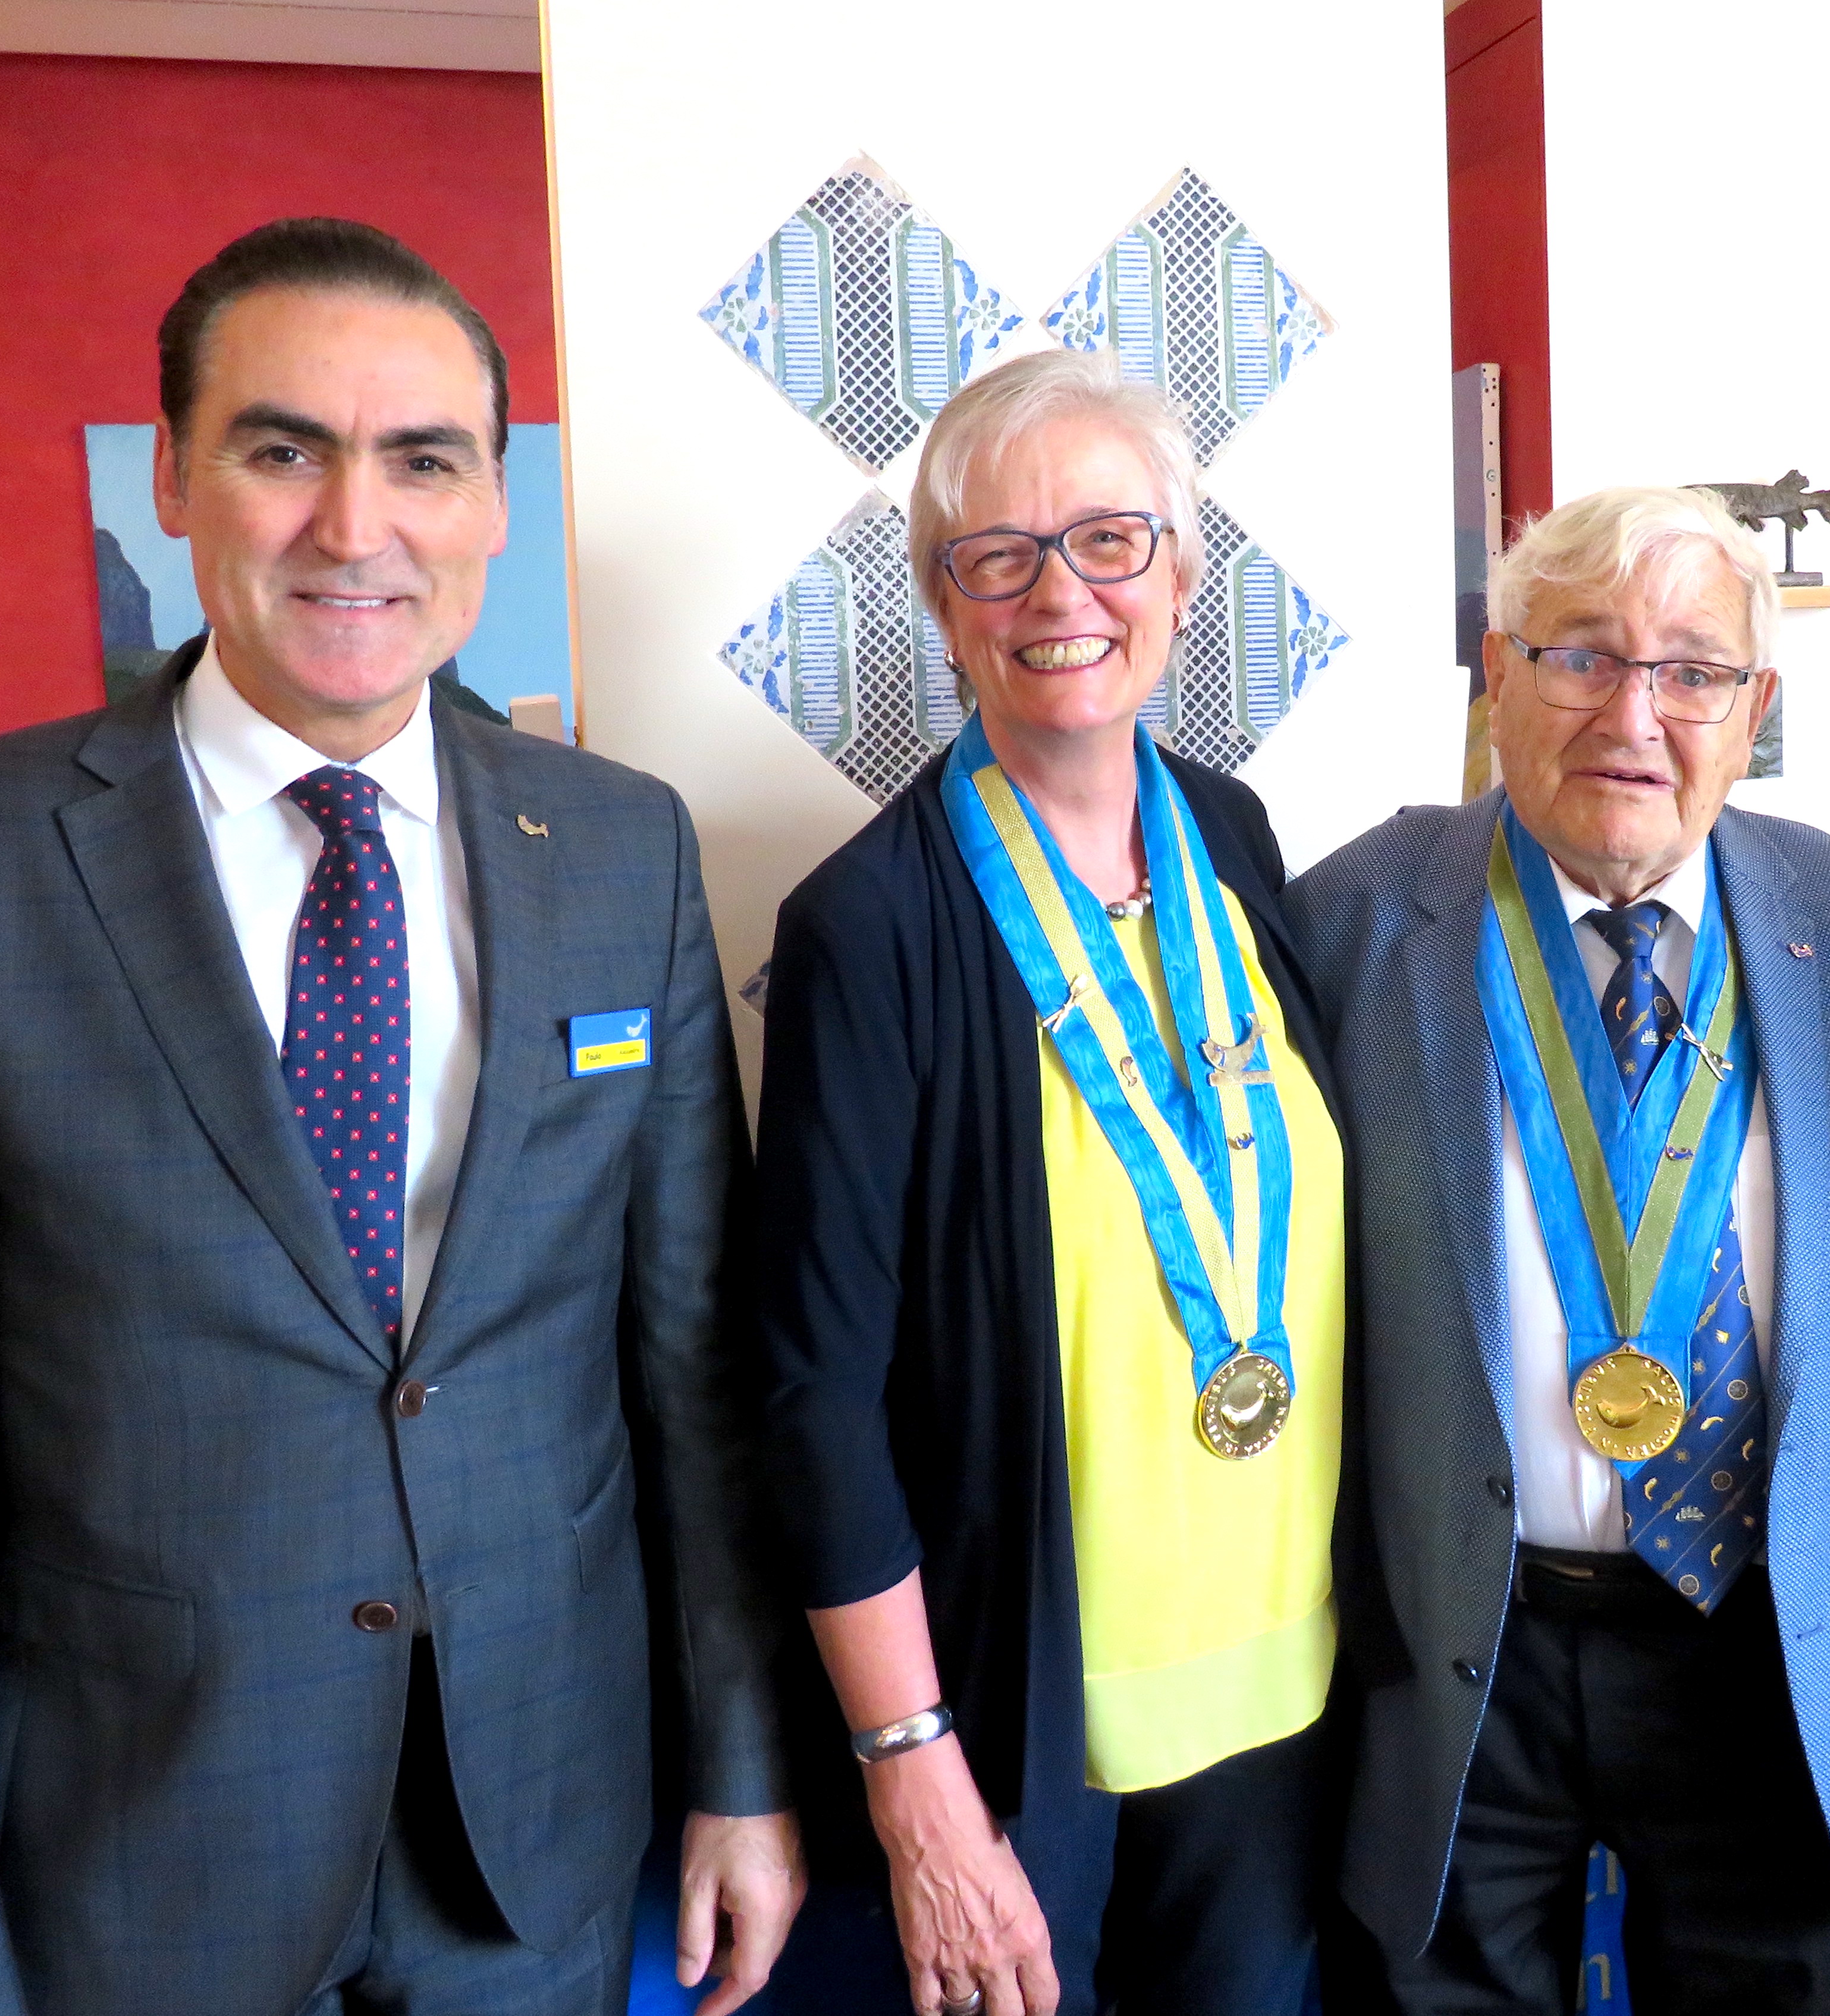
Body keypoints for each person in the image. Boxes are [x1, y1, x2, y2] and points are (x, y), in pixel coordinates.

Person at [0, 218, 801, 2016]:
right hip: (143, 1859)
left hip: (535, 1846)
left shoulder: (619, 847)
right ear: (173, 478)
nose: (354, 525)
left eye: (424, 460)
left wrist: (742, 1764)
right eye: (282, 449)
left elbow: (692, 1365)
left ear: (495, 504)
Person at [1285, 485, 1830, 2014]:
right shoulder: (1349, 922)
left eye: (1691, 671)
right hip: (1461, 1643)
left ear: (1755, 708)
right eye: (1582, 657)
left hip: (1774, 1640)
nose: (1634, 715)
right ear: (1500, 676)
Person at [748, 346, 1355, 2016]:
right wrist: (914, 1774)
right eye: (997, 555)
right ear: (944, 607)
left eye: (1108, 539)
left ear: (1182, 571)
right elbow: (810, 1393)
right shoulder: (867, 927)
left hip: (1289, 1694)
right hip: (1028, 1732)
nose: (1059, 592)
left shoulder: (1236, 835)